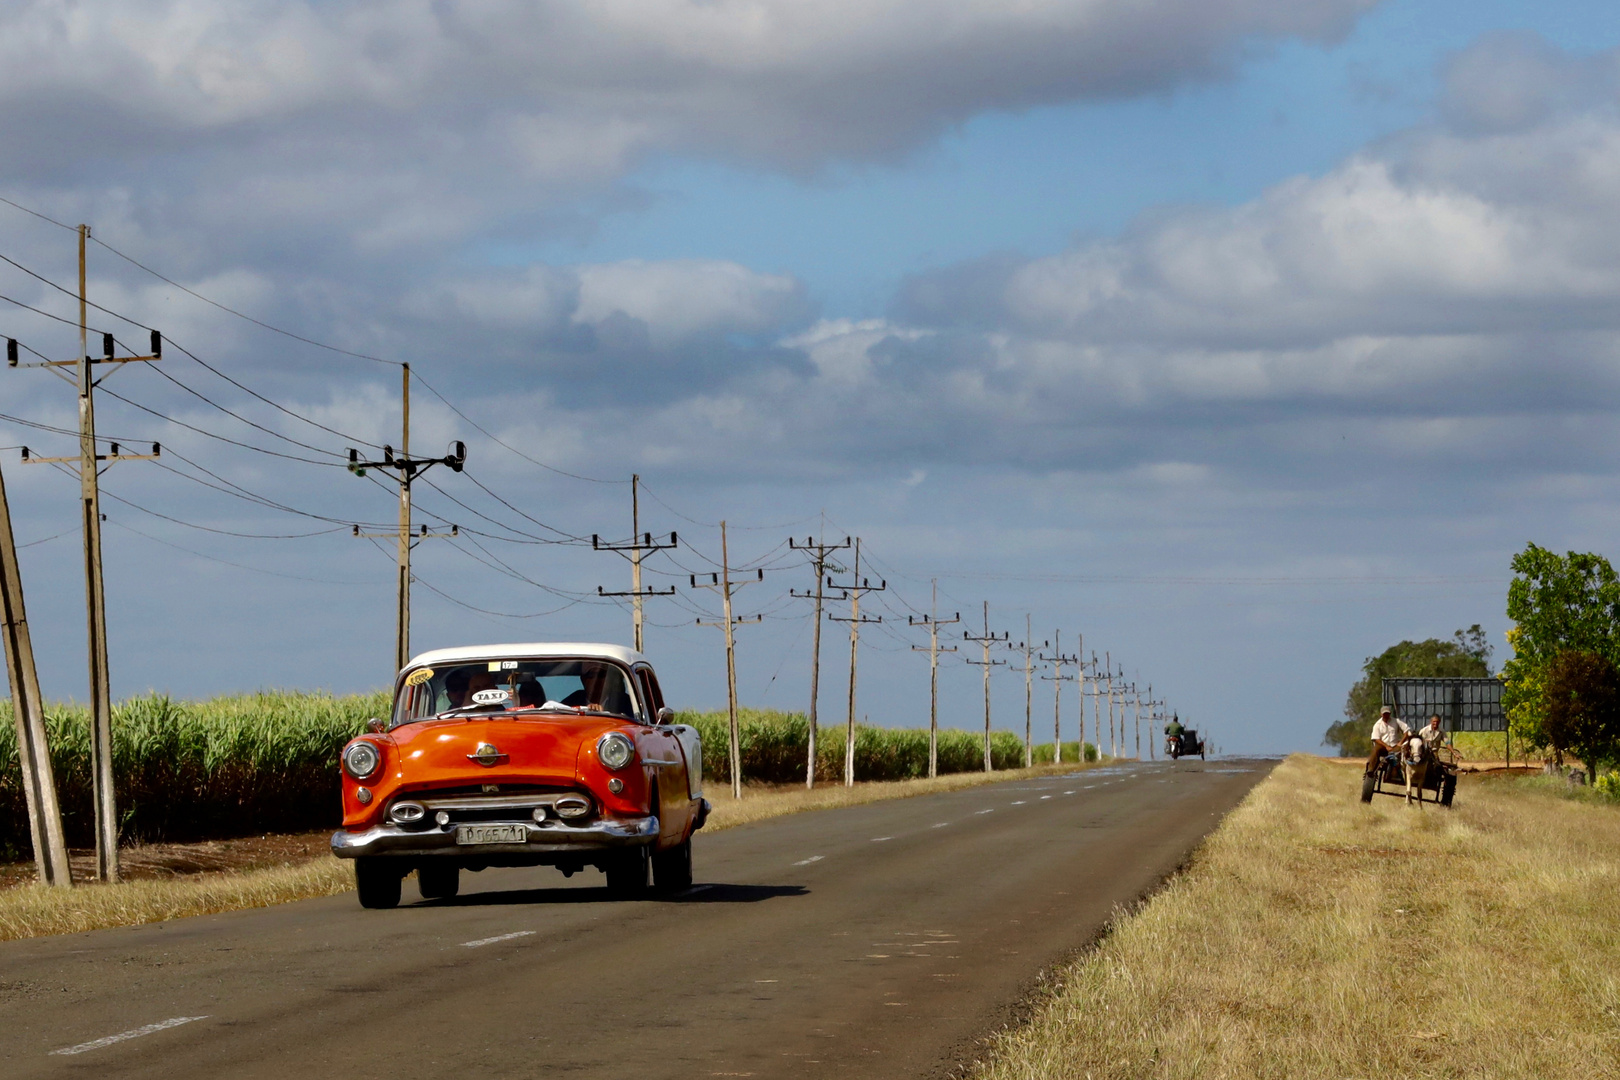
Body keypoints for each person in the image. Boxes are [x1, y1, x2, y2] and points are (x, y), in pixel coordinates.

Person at [1366, 706, 1410, 775]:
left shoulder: (1396, 721)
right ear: (1381, 714)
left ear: (1390, 714)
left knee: (1404, 749)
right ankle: (1371, 769)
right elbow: (1376, 738)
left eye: (1387, 713)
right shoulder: (1377, 725)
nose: (1386, 715)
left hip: (1395, 746)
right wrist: (1386, 746)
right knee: (1375, 749)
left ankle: (1401, 770)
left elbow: (1406, 731)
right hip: (1383, 747)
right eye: (1384, 714)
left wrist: (1401, 742)